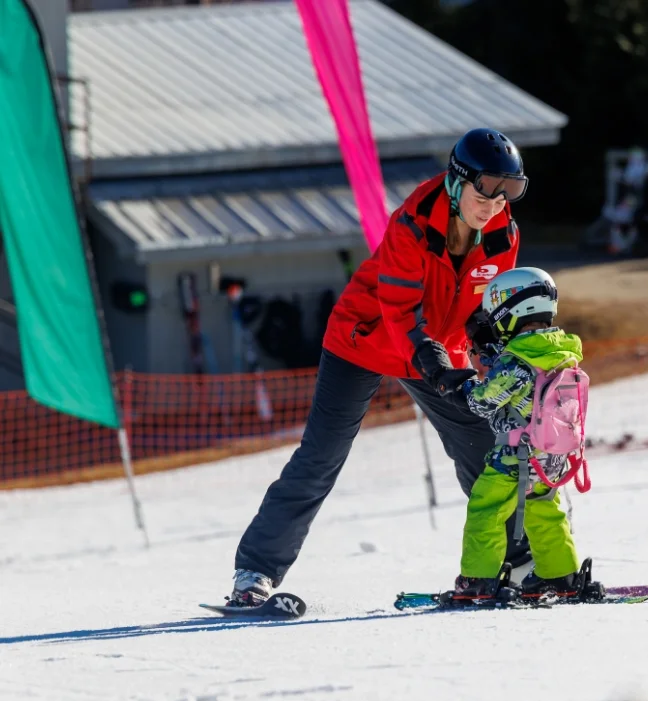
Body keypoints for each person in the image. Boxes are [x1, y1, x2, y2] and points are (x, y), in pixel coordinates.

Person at [227, 128, 533, 606]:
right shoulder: (411, 224)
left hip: (434, 350)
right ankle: (254, 574)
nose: (495, 203)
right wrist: (437, 365)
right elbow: (399, 309)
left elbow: (480, 307)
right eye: (486, 190)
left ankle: (517, 562)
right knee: (321, 457)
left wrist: (486, 346)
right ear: (458, 182)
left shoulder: (502, 235)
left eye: (509, 192)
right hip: (365, 339)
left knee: (483, 444)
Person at [450, 267, 589, 597]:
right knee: (544, 513)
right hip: (552, 457)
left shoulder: (516, 361)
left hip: (515, 457)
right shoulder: (563, 352)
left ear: (505, 313)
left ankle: (478, 581)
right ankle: (560, 576)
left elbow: (484, 402)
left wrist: (463, 384)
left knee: (486, 511)